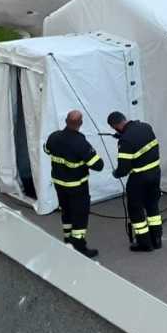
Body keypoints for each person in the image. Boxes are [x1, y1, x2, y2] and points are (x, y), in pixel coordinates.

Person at [43, 110, 105, 258]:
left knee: (66, 212)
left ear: (66, 121)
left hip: (59, 184)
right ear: (81, 124)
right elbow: (98, 165)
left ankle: (67, 240)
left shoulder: (54, 136)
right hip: (77, 186)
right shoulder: (80, 143)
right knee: (80, 215)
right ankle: (79, 246)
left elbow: (46, 149)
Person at [108, 112, 162, 253]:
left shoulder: (125, 141)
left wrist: (116, 173)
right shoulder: (145, 127)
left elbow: (123, 169)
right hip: (155, 173)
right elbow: (139, 142)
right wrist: (123, 136)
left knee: (135, 209)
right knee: (152, 206)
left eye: (114, 128)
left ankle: (144, 243)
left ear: (115, 125)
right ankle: (157, 239)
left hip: (139, 179)